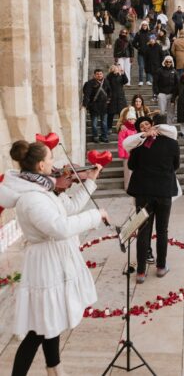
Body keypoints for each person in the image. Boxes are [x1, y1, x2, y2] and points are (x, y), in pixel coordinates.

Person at [0, 140, 109, 376]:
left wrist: (89, 181)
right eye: (51, 158)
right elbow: (59, 227)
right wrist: (95, 215)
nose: (55, 163)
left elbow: (68, 209)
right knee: (39, 329)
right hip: (45, 264)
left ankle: (55, 369)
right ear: (40, 165)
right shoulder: (32, 198)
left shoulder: (43, 188)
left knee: (52, 320)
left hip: (55, 260)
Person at [127, 117, 180, 283]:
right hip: (163, 191)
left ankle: (142, 271)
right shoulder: (171, 143)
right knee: (161, 230)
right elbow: (176, 165)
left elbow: (131, 166)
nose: (144, 127)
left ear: (152, 125)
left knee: (144, 231)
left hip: (144, 192)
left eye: (146, 124)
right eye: (141, 126)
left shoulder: (138, 146)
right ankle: (160, 267)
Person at [82, 69, 111, 143]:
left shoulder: (106, 82)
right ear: (94, 75)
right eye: (97, 74)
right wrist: (84, 104)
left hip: (104, 106)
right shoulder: (89, 83)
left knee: (104, 123)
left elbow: (109, 91)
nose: (99, 75)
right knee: (94, 123)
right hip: (94, 106)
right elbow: (87, 94)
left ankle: (104, 137)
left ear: (103, 74)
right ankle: (95, 137)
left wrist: (109, 100)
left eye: (100, 74)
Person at [154, 56, 179, 124]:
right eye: (167, 61)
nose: (168, 63)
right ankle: (161, 124)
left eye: (170, 62)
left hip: (171, 95)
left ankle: (169, 126)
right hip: (162, 94)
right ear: (164, 62)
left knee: (171, 112)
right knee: (162, 111)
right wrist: (157, 93)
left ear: (172, 62)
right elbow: (155, 82)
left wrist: (175, 95)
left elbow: (177, 84)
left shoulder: (175, 72)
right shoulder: (159, 71)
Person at [117, 107, 137, 190]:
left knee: (135, 170)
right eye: (130, 119)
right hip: (127, 153)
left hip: (135, 153)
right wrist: (122, 153)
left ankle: (135, 185)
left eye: (133, 119)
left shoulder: (136, 129)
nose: (131, 121)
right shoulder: (124, 129)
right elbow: (121, 142)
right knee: (127, 171)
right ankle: (127, 186)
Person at [106, 64, 128, 132]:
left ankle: (120, 127)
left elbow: (125, 81)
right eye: (115, 68)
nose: (117, 69)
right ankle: (109, 127)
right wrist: (112, 73)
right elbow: (107, 83)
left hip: (120, 97)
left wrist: (123, 73)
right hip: (112, 97)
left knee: (121, 114)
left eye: (117, 68)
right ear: (112, 69)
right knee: (110, 114)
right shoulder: (109, 76)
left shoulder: (120, 76)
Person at [132, 20, 151, 86]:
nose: (144, 26)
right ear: (141, 26)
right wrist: (138, 48)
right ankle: (141, 80)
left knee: (148, 67)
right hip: (141, 53)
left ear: (147, 26)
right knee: (141, 67)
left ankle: (148, 80)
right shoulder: (138, 33)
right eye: (143, 25)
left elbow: (153, 42)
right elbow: (133, 42)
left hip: (148, 53)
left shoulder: (150, 33)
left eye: (145, 25)